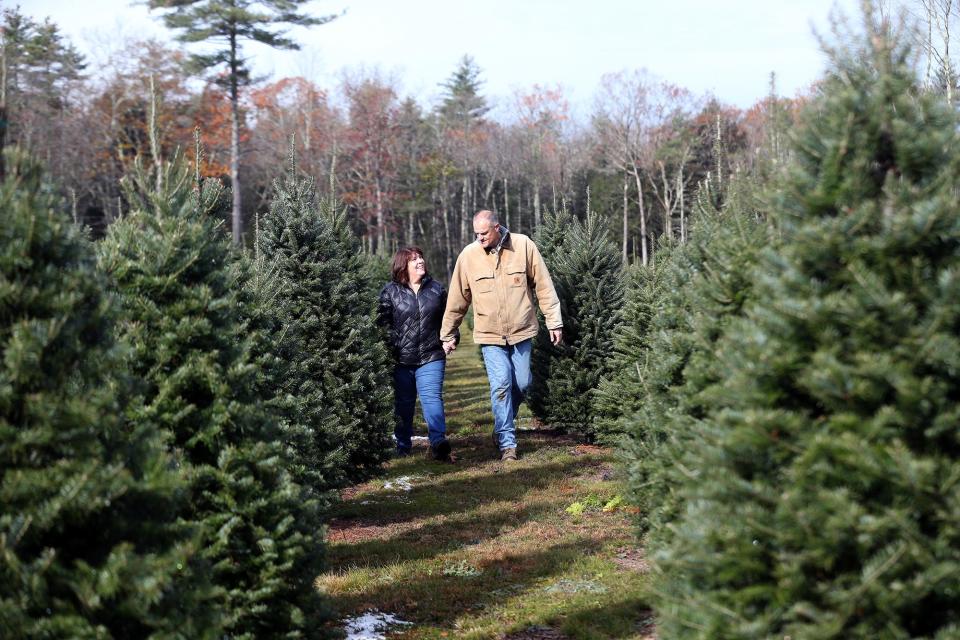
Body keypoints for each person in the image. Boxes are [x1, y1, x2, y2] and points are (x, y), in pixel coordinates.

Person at [440, 210, 562, 462]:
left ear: (498, 227)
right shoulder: (468, 256)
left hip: (521, 331)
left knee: (523, 383)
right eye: (476, 234)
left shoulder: (523, 245)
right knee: (501, 386)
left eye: (484, 233)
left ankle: (500, 425)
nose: (479, 238)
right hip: (489, 335)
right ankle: (508, 444)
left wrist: (554, 321)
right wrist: (448, 333)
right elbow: (457, 299)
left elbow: (544, 286)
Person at [378, 247, 457, 462]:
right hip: (401, 359)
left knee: (432, 399)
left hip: (431, 356)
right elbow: (382, 325)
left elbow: (448, 320)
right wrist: (388, 349)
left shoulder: (436, 290)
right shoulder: (390, 292)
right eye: (414, 259)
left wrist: (451, 338)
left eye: (421, 257)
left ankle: (438, 442)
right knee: (403, 404)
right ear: (403, 266)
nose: (420, 261)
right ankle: (402, 444)